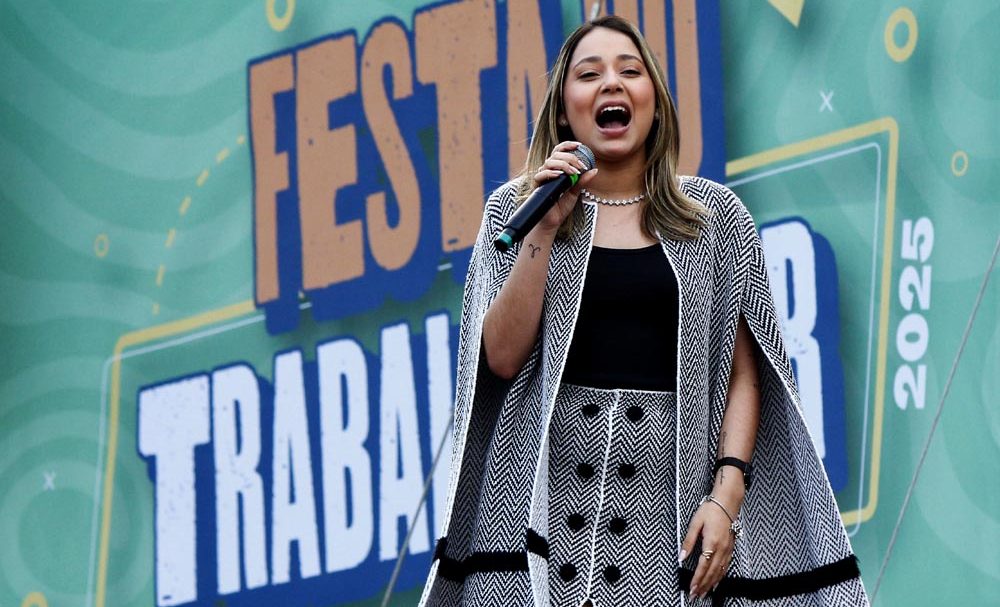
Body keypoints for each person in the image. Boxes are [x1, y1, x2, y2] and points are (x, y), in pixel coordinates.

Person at [419, 15, 868, 607]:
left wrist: (726, 497)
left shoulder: (713, 218)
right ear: (563, 111)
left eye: (630, 71)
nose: (612, 84)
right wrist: (542, 231)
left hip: (667, 502)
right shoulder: (517, 209)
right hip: (541, 500)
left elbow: (744, 373)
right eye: (589, 74)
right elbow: (499, 358)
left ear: (653, 101)